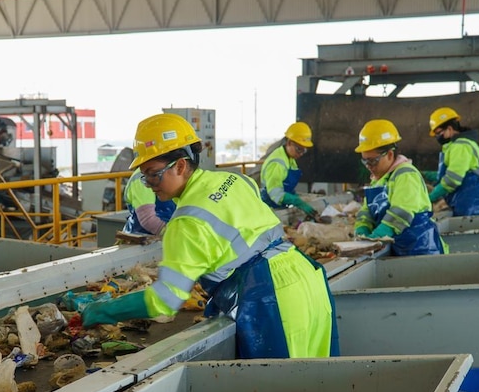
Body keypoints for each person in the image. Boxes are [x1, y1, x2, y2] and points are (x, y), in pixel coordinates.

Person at [81, 113, 339, 359]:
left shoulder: (186, 222)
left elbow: (166, 299)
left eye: (153, 173)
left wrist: (103, 310)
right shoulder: (235, 179)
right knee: (321, 384)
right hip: (306, 277)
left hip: (272, 298)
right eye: (144, 175)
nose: (148, 183)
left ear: (180, 165)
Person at [353, 119, 446, 256]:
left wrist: (379, 234)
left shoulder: (405, 175)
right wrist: (362, 228)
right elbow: (367, 210)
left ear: (390, 154)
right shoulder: (378, 180)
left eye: (372, 161)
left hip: (421, 248)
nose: (369, 166)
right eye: (365, 161)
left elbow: (402, 210)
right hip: (399, 247)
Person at [425, 106, 479, 216]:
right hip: (467, 201)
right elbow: (454, 173)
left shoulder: (460, 146)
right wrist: (427, 175)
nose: (438, 137)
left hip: (474, 203)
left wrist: (431, 197)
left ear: (449, 129)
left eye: (439, 133)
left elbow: (452, 179)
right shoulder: (454, 146)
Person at [259, 121, 318, 218]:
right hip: (270, 207)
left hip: (280, 205)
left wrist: (294, 196)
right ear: (289, 143)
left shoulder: (290, 159)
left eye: (304, 150)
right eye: (299, 149)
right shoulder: (277, 163)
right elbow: (275, 193)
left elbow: (286, 186)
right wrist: (296, 201)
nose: (301, 154)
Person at [122, 169, 176, 235]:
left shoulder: (170, 173)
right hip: (141, 238)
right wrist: (173, 234)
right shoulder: (141, 179)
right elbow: (148, 220)